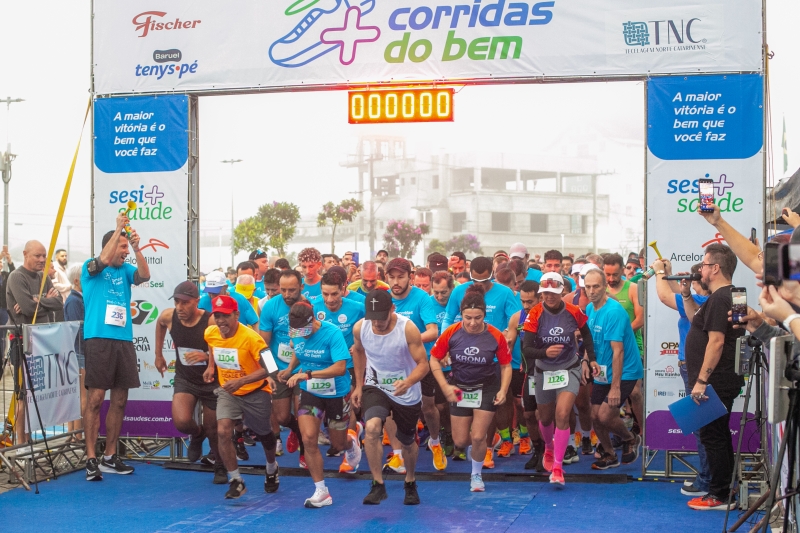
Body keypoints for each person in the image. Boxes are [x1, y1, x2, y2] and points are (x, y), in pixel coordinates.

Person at [82, 215, 150, 481]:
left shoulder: (125, 271)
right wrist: (120, 228)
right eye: (121, 247)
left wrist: (135, 247)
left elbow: (145, 275)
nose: (124, 251)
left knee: (120, 400)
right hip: (98, 338)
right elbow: (102, 261)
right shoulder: (92, 267)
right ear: (109, 246)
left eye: (125, 248)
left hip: (123, 339)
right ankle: (90, 458)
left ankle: (110, 456)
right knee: (96, 399)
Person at [279, 301, 360, 508]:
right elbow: (299, 350)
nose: (301, 334)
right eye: (296, 331)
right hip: (311, 392)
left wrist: (308, 374)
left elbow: (340, 368)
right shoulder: (296, 332)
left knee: (338, 444)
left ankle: (352, 439)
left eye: (304, 330)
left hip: (337, 393)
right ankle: (321, 491)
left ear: (313, 320)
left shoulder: (331, 333)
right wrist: (289, 369)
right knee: (308, 438)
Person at [430, 285, 512, 492]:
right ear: (461, 315)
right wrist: (445, 387)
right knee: (461, 441)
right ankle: (490, 440)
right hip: (459, 388)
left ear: (485, 315)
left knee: (477, 437)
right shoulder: (451, 332)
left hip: (486, 388)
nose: (473, 323)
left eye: (478, 318)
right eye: (468, 317)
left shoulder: (494, 335)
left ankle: (476, 475)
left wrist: (502, 390)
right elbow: (434, 359)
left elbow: (505, 365)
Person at [352, 290, 428, 505]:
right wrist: (359, 386)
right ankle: (378, 484)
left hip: (405, 389)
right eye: (373, 318)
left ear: (392, 310)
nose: (377, 323)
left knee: (406, 441)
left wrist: (409, 382)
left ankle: (410, 481)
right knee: (373, 428)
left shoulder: (408, 328)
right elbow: (358, 352)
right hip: (375, 385)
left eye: (382, 318)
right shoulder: (360, 327)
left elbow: (423, 364)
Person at [521, 272, 596, 487]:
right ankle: (548, 447)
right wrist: (545, 353)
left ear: (562, 291)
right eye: (545, 293)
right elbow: (526, 349)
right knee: (544, 418)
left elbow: (587, 335)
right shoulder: (535, 314)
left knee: (562, 414)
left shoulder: (573, 312)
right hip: (544, 370)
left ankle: (557, 467)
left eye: (553, 293)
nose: (549, 297)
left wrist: (591, 359)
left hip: (568, 368)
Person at [685, 243, 744, 511]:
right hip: (717, 380)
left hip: (715, 382)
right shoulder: (723, 297)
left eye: (704, 265)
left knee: (713, 436)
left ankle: (720, 495)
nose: (701, 270)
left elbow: (717, 342)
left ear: (716, 268)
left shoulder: (721, 298)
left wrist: (701, 380)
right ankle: (723, 489)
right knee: (716, 435)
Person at [203, 295, 279, 499]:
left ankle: (272, 467)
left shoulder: (253, 338)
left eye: (225, 316)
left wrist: (242, 381)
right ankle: (236, 480)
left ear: (237, 315)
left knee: (265, 435)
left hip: (255, 392)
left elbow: (271, 367)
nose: (220, 321)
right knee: (223, 431)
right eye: (217, 316)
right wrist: (211, 366)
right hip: (229, 393)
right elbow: (212, 346)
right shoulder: (211, 332)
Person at [154, 281, 226, 483]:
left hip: (211, 380)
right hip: (185, 377)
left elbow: (220, 344)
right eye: (177, 301)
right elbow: (159, 323)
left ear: (196, 301)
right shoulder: (170, 316)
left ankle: (219, 465)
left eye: (185, 303)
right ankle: (197, 433)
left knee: (214, 429)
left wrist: (209, 362)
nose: (180, 307)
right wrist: (158, 354)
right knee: (182, 421)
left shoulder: (210, 320)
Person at [653, 259, 712, 496]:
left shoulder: (701, 300)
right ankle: (708, 477)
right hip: (691, 366)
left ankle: (707, 480)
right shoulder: (702, 299)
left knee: (701, 425)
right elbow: (679, 295)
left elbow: (666, 297)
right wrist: (669, 274)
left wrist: (658, 272)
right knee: (703, 424)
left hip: (693, 367)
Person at [582, 269, 643, 469]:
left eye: (596, 286)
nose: (591, 291)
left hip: (625, 371)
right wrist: (585, 360)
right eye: (588, 287)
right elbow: (590, 341)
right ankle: (609, 454)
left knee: (606, 415)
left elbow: (618, 352)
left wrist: (616, 387)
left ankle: (630, 438)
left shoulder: (614, 312)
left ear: (605, 287)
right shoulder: (590, 309)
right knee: (594, 416)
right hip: (602, 370)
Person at [383, 258, 439, 473]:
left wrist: (407, 340)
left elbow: (433, 331)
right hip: (393, 363)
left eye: (401, 277)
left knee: (428, 407)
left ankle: (435, 441)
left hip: (419, 361)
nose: (396, 282)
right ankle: (397, 455)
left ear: (410, 277)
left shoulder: (422, 298)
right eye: (392, 277)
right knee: (390, 408)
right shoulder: (382, 298)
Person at [6, 240, 64, 445]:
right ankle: (22, 443)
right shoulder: (16, 276)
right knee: (22, 394)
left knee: (37, 393)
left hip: (42, 341)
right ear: (25, 254)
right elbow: (27, 310)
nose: (42, 260)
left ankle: (28, 439)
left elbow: (58, 303)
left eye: (44, 256)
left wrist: (36, 301)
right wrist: (38, 303)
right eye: (37, 256)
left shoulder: (42, 277)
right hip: (22, 341)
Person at [312, 269, 366, 473]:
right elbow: (300, 334)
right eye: (325, 294)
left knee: (350, 406)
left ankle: (348, 456)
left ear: (344, 289)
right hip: (321, 367)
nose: (329, 299)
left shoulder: (358, 308)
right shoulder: (312, 307)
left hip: (349, 366)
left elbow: (372, 331)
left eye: (334, 294)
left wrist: (361, 345)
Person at [259, 269, 307, 467]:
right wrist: (272, 371)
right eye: (284, 290)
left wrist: (293, 370)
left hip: (302, 368)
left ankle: (305, 450)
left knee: (303, 414)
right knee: (282, 417)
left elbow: (305, 342)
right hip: (278, 369)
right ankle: (295, 430)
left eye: (292, 290)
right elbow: (263, 344)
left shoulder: (307, 307)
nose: (287, 295)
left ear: (301, 287)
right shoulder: (270, 307)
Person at [603, 253, 645, 437]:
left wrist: (620, 335)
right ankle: (619, 434)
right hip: (606, 350)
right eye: (607, 274)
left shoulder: (633, 288)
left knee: (635, 392)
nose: (611, 279)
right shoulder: (600, 289)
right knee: (609, 395)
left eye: (614, 274)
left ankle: (644, 431)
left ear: (623, 270)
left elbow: (641, 318)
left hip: (631, 347)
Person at [504, 280, 543, 467]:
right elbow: (509, 343)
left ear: (540, 298)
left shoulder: (550, 317)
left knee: (547, 414)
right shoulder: (516, 318)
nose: (526, 306)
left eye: (530, 302)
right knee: (528, 414)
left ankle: (559, 447)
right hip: (527, 371)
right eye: (523, 301)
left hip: (550, 372)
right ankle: (538, 450)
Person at [429, 270, 455, 457]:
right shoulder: (427, 304)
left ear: (452, 289)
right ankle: (445, 433)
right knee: (440, 406)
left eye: (443, 292)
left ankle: (461, 436)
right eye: (436, 292)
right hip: (436, 362)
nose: (439, 296)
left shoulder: (459, 303)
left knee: (457, 402)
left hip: (459, 363)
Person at [64, 264, 86, 440]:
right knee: (81, 396)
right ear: (77, 280)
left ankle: (74, 434)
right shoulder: (74, 301)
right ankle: (77, 435)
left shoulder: (77, 299)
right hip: (79, 352)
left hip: (79, 351)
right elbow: (77, 331)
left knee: (78, 396)